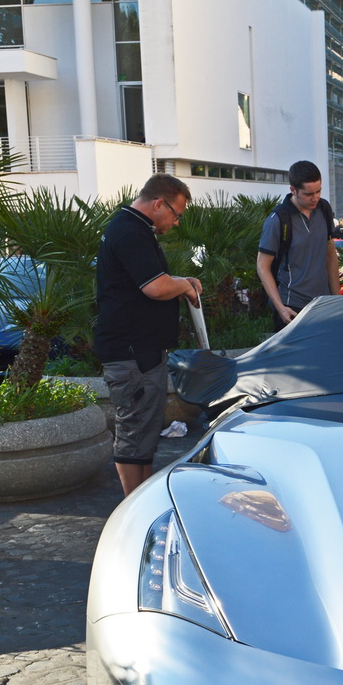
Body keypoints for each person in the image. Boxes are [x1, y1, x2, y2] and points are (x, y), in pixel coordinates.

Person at [93, 174, 203, 497]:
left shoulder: (136, 228)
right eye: (176, 214)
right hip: (131, 353)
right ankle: (133, 506)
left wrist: (181, 280)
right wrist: (184, 285)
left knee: (143, 434)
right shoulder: (129, 231)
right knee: (133, 432)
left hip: (142, 350)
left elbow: (152, 280)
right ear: (158, 203)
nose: (176, 222)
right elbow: (155, 287)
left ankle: (142, 498)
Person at [257, 160, 339, 330]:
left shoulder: (324, 209)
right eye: (309, 194)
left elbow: (330, 255)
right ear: (293, 190)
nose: (315, 197)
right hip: (291, 305)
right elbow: (262, 266)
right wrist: (280, 308)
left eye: (318, 191)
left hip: (323, 303)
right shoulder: (278, 220)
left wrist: (337, 299)